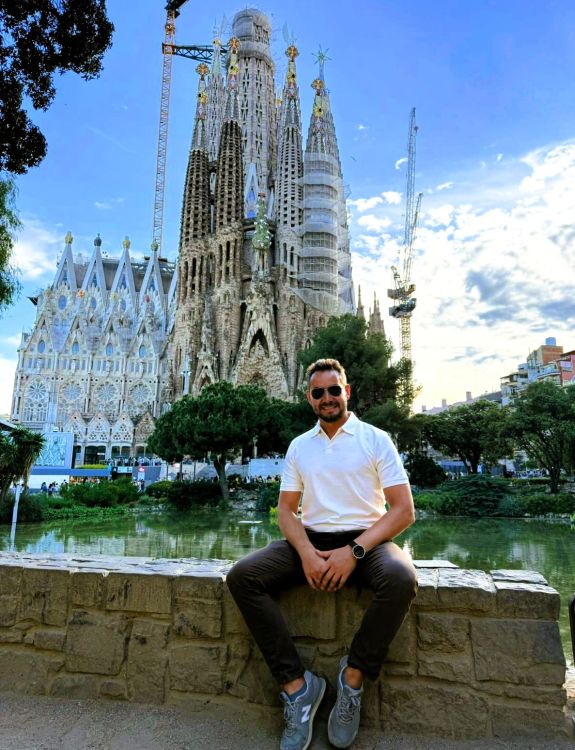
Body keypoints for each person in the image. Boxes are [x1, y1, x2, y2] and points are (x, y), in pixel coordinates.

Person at [227, 358, 417, 750]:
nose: (327, 398)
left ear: (346, 391)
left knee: (401, 578)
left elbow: (403, 510)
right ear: (310, 398)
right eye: (318, 392)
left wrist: (355, 550)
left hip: (368, 542)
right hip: (311, 539)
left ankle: (353, 678)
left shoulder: (376, 439)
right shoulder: (300, 446)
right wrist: (307, 554)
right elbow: (285, 512)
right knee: (243, 576)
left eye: (333, 390)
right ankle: (298, 688)